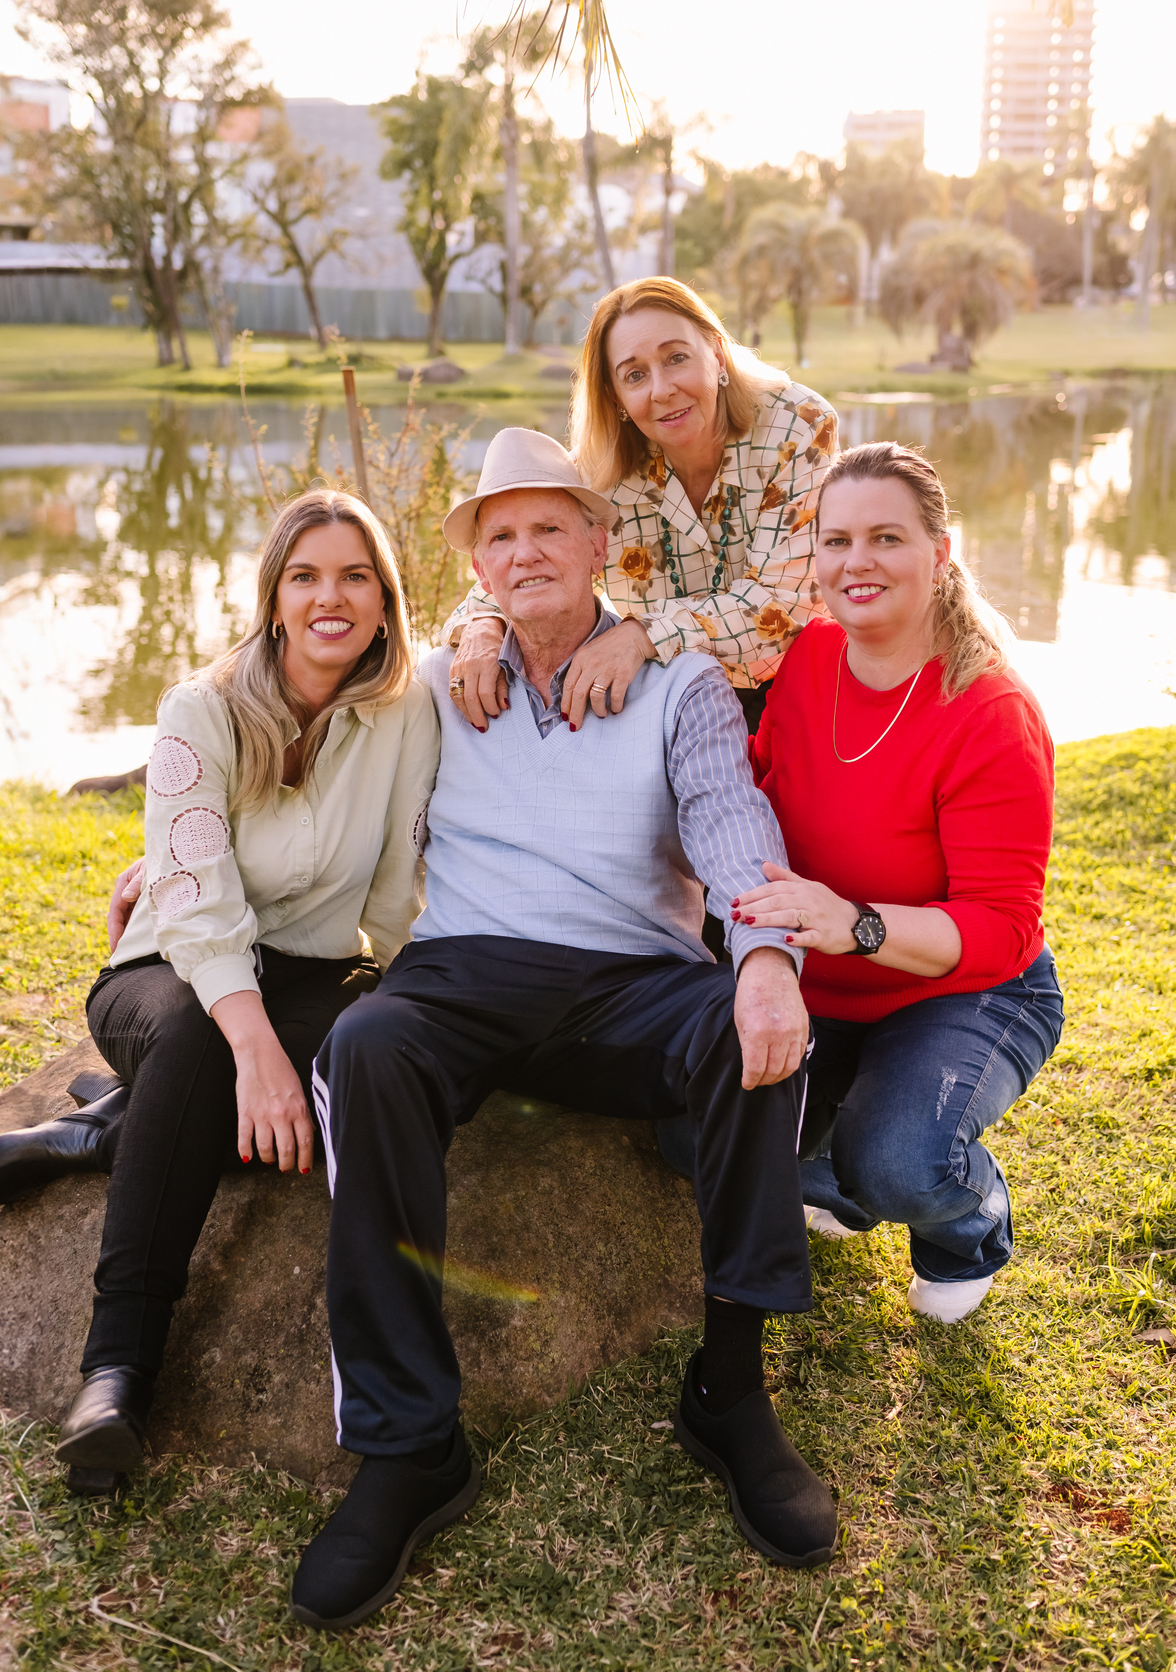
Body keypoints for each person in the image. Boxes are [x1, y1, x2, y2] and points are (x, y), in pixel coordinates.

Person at [288, 428, 837, 1633]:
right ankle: (410, 1444)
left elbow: (731, 825)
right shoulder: (436, 677)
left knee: (747, 1035)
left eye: (550, 527)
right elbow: (301, 749)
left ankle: (730, 1396)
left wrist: (763, 960)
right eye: (500, 534)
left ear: (600, 544)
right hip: (464, 974)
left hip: (628, 984)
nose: (526, 550)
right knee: (366, 1048)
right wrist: (171, 850)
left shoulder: (678, 682)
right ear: (476, 567)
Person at [0, 489, 440, 1491]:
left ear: (385, 598)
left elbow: (401, 889)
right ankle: (117, 1371)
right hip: (167, 971)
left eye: (356, 575)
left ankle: (101, 1135)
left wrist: (406, 995)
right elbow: (191, 901)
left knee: (356, 1070)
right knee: (200, 1042)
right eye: (306, 575)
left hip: (317, 973)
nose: (332, 596)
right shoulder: (203, 707)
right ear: (273, 597)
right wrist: (256, 1048)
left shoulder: (407, 709)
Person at [660, 442, 1064, 1326]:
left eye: (886, 537)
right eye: (835, 541)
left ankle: (968, 1223)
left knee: (899, 1163)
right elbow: (758, 796)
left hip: (963, 988)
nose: (857, 563)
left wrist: (858, 925)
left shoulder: (990, 712)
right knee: (687, 1134)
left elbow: (1001, 930)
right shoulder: (807, 657)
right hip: (820, 980)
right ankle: (842, 1174)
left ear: (939, 553)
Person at [444, 277, 838, 739]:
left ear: (716, 352)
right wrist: (482, 624)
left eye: (676, 358)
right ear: (615, 397)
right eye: (634, 375)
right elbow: (527, 557)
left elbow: (783, 603)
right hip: (668, 702)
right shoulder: (599, 472)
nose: (662, 389)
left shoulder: (797, 426)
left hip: (798, 697)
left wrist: (641, 634)